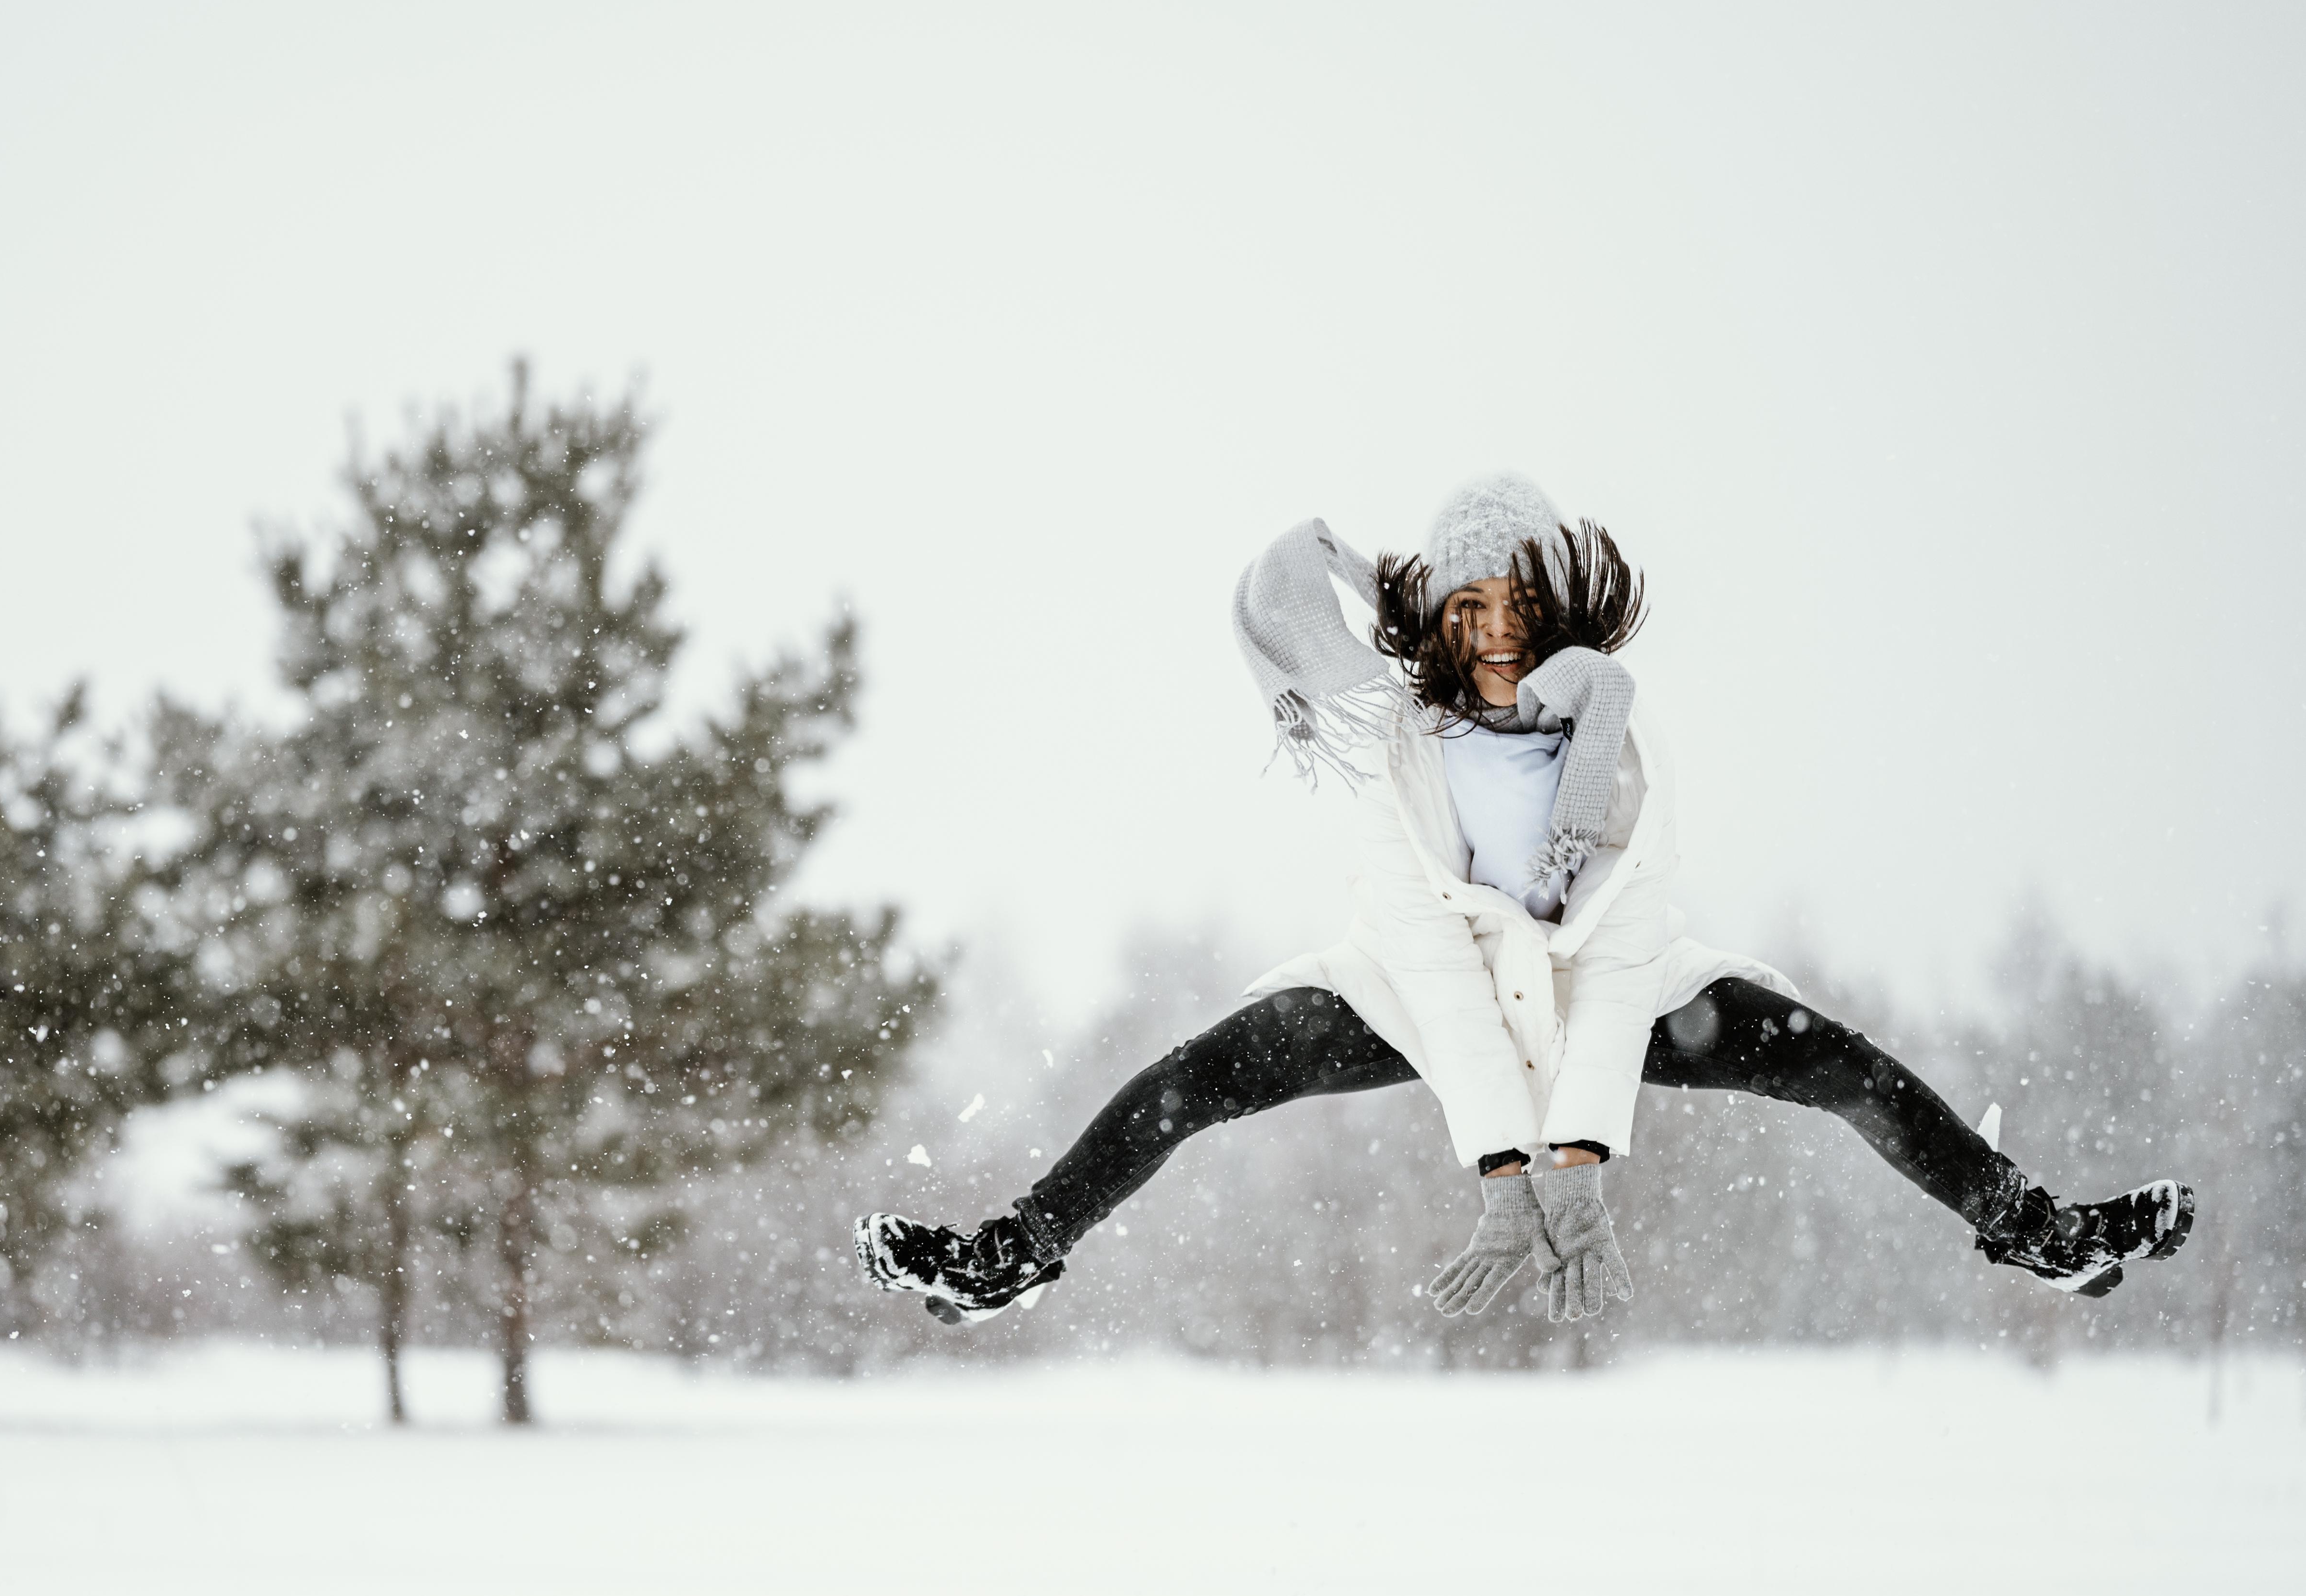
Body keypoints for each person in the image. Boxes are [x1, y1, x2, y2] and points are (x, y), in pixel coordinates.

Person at [857, 474, 2193, 1325]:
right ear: (1437, 619)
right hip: (1416, 996)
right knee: (1192, 1082)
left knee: (1846, 1071)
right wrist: (1504, 1169)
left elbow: (1620, 963)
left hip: (1612, 990)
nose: (1495, 635)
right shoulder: (1398, 748)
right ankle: (1010, 1256)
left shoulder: (1623, 739)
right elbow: (1436, 967)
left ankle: (2038, 1230)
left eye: (1518, 606)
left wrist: (1581, 1164)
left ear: (1554, 610)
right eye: (1468, 609)